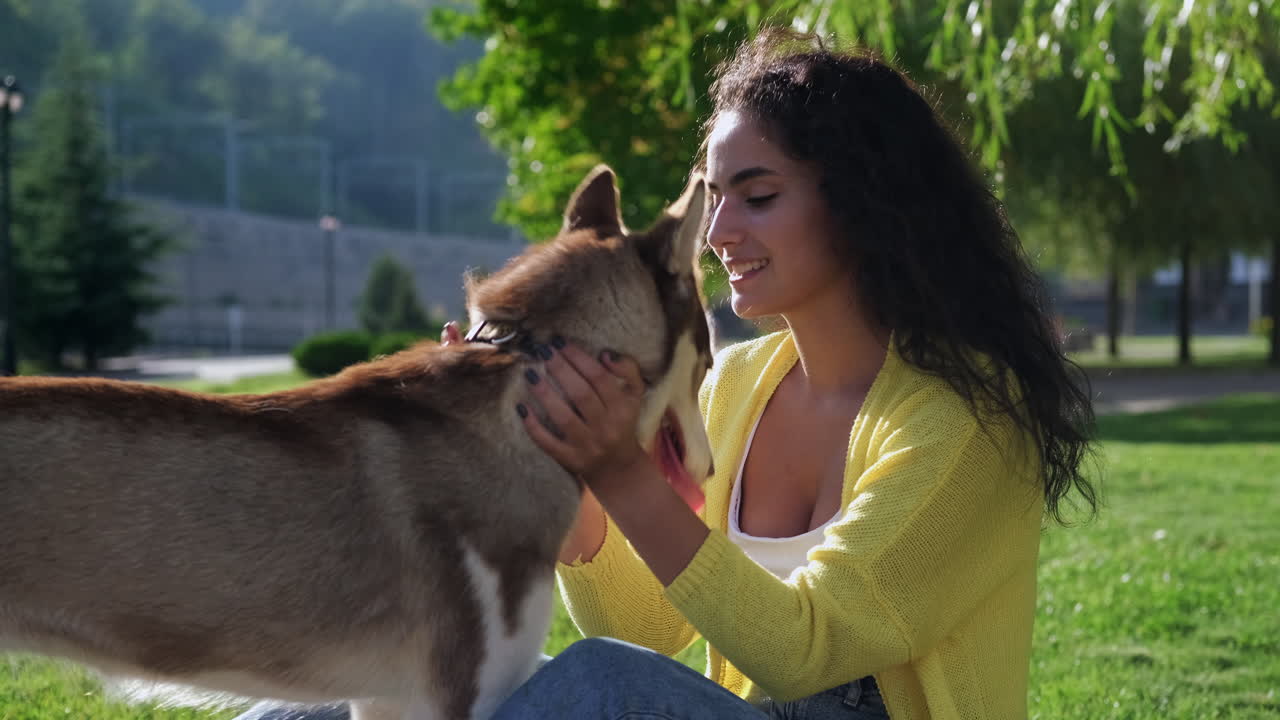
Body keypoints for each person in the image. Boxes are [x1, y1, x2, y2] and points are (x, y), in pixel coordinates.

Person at [244, 26, 1096, 720]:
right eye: (713, 195)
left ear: (865, 204)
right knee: (372, 674)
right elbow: (643, 623)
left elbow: (805, 651)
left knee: (601, 684)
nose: (716, 231)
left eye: (756, 196)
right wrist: (558, 460)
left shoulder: (969, 423)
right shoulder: (738, 386)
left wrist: (623, 466)